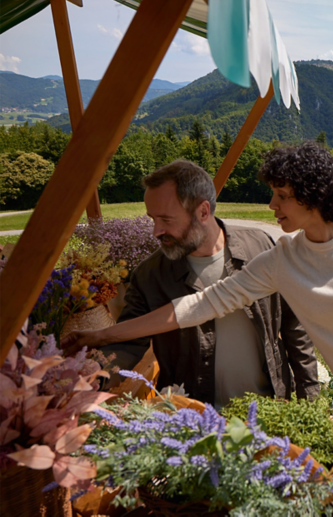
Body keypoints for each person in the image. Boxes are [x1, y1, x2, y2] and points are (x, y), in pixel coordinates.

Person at [64, 143, 333, 516]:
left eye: (281, 196)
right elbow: (197, 305)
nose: (271, 205)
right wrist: (102, 336)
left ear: (312, 195)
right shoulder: (281, 261)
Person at [95, 159, 319, 407]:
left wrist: (310, 399)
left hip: (270, 412)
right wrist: (95, 377)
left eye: (166, 220)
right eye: (152, 219)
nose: (156, 231)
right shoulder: (150, 275)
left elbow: (294, 326)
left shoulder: (261, 248)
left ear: (203, 211)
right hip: (194, 421)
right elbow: (126, 343)